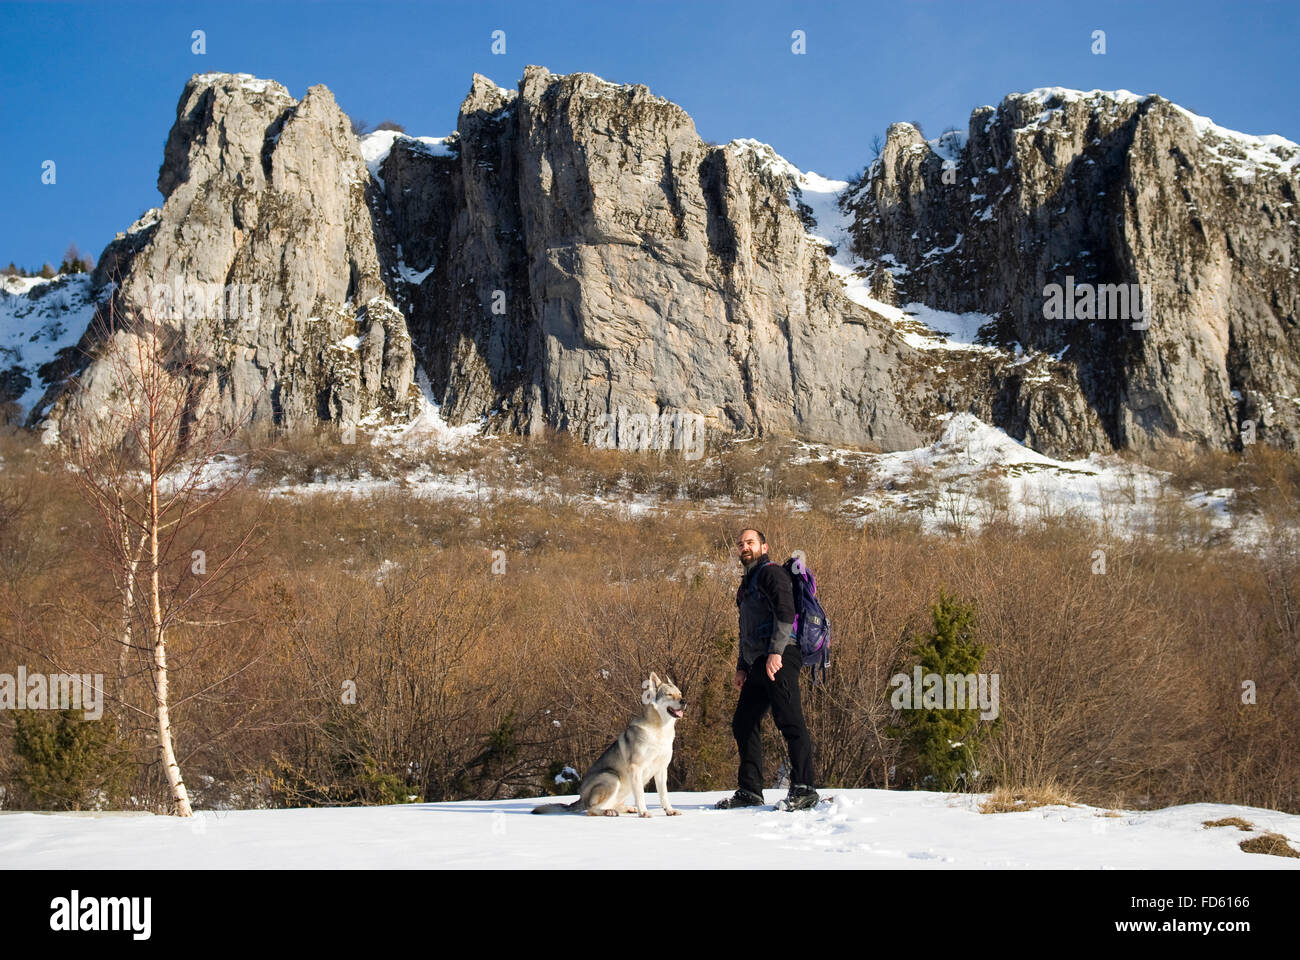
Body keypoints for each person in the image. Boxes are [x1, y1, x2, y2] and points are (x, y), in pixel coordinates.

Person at [715, 528, 819, 810]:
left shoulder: (772, 574)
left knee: (789, 719)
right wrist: (741, 667)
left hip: (782, 655)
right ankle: (750, 790)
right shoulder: (746, 584)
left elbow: (786, 612)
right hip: (757, 662)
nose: (744, 547)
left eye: (750, 542)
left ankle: (804, 787)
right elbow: (744, 629)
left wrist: (776, 652)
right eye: (740, 544)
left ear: (764, 546)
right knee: (743, 722)